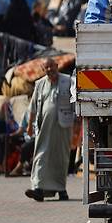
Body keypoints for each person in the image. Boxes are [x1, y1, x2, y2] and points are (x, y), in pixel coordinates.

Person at [25, 58, 74, 201]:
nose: (49, 70)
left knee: (61, 157)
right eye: (46, 67)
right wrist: (29, 126)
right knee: (41, 155)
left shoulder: (68, 81)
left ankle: (61, 189)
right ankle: (38, 188)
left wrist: (77, 126)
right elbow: (33, 108)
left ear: (57, 66)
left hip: (63, 125)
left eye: (51, 66)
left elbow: (75, 104)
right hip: (44, 126)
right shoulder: (39, 84)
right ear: (43, 69)